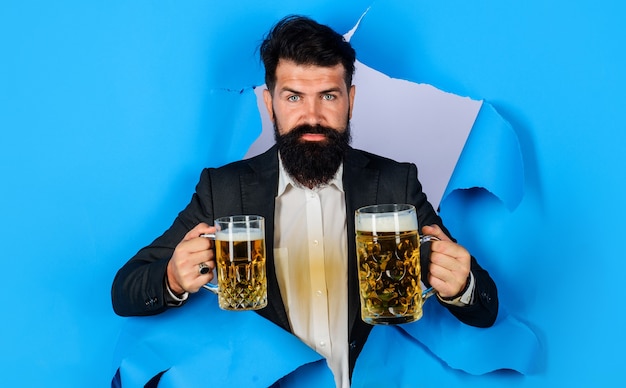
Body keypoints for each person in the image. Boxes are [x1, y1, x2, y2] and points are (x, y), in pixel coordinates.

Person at [111, 15, 498, 387]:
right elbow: (125, 289)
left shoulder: (395, 184)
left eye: (328, 95)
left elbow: (485, 306)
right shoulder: (224, 189)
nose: (312, 115)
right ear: (269, 103)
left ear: (351, 100)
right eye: (293, 96)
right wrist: (173, 278)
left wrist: (462, 284)